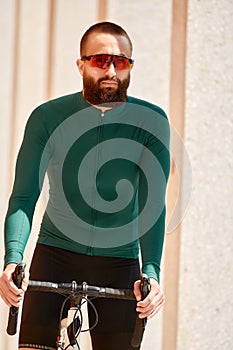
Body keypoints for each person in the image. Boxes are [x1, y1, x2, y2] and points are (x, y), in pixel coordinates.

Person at [0, 22, 170, 350]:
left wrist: (152, 272)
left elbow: (153, 205)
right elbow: (23, 195)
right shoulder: (47, 118)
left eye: (120, 61)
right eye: (99, 60)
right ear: (81, 64)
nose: (110, 69)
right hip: (55, 255)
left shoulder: (152, 122)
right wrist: (12, 259)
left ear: (130, 67)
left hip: (119, 264)